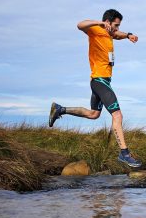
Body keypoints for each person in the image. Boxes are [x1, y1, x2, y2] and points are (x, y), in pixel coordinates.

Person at [48, 9, 141, 168]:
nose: (117, 28)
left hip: (101, 82)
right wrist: (99, 23)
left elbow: (117, 35)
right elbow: (79, 25)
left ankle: (60, 109)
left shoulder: (110, 34)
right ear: (107, 22)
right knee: (117, 115)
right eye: (116, 25)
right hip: (99, 81)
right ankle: (124, 153)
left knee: (94, 114)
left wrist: (128, 35)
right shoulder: (96, 30)